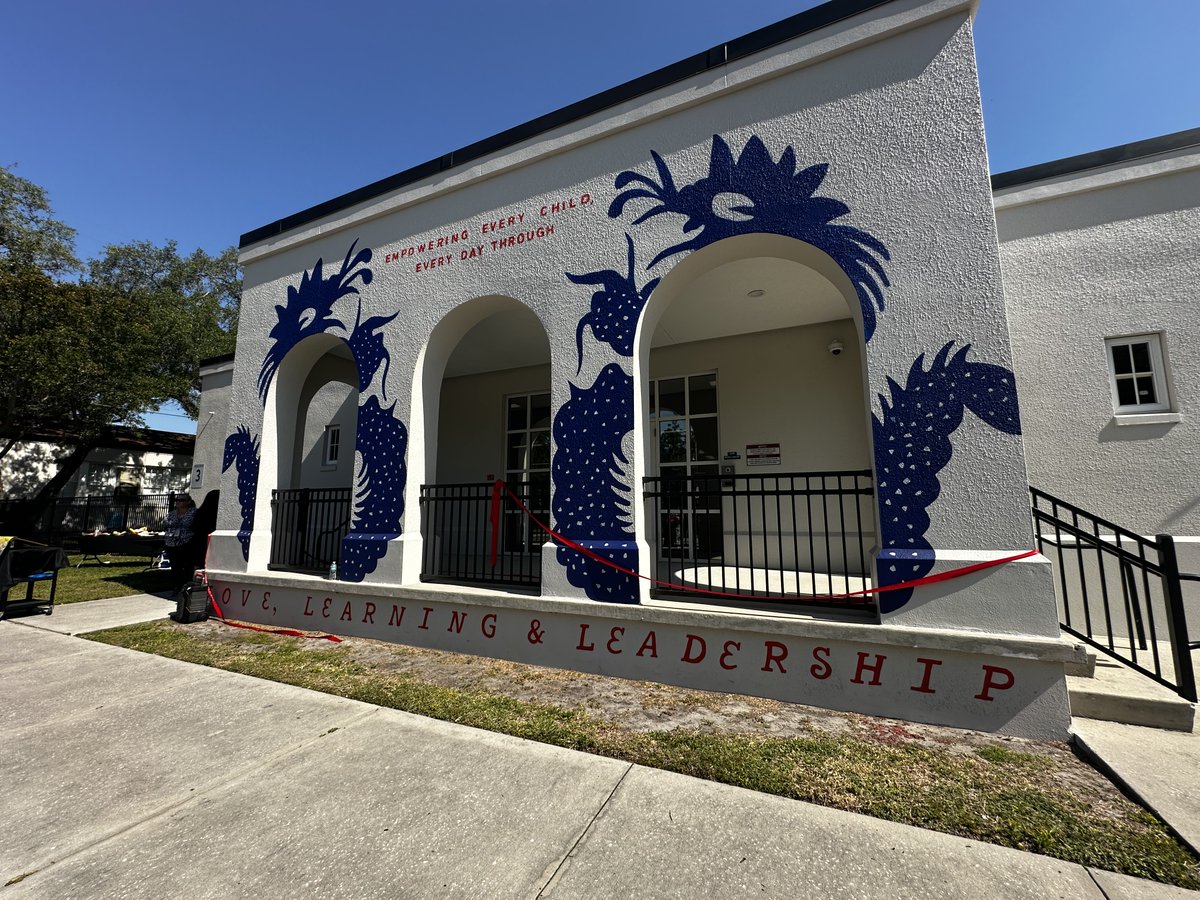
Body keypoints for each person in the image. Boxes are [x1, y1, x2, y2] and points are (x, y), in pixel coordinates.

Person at [163, 496, 197, 586]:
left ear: (188, 502)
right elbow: (165, 524)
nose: (178, 502)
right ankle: (176, 584)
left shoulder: (193, 512)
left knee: (187, 565)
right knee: (175, 566)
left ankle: (186, 584)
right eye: (177, 500)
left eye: (181, 500)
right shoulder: (171, 514)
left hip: (186, 542)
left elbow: (190, 524)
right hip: (171, 543)